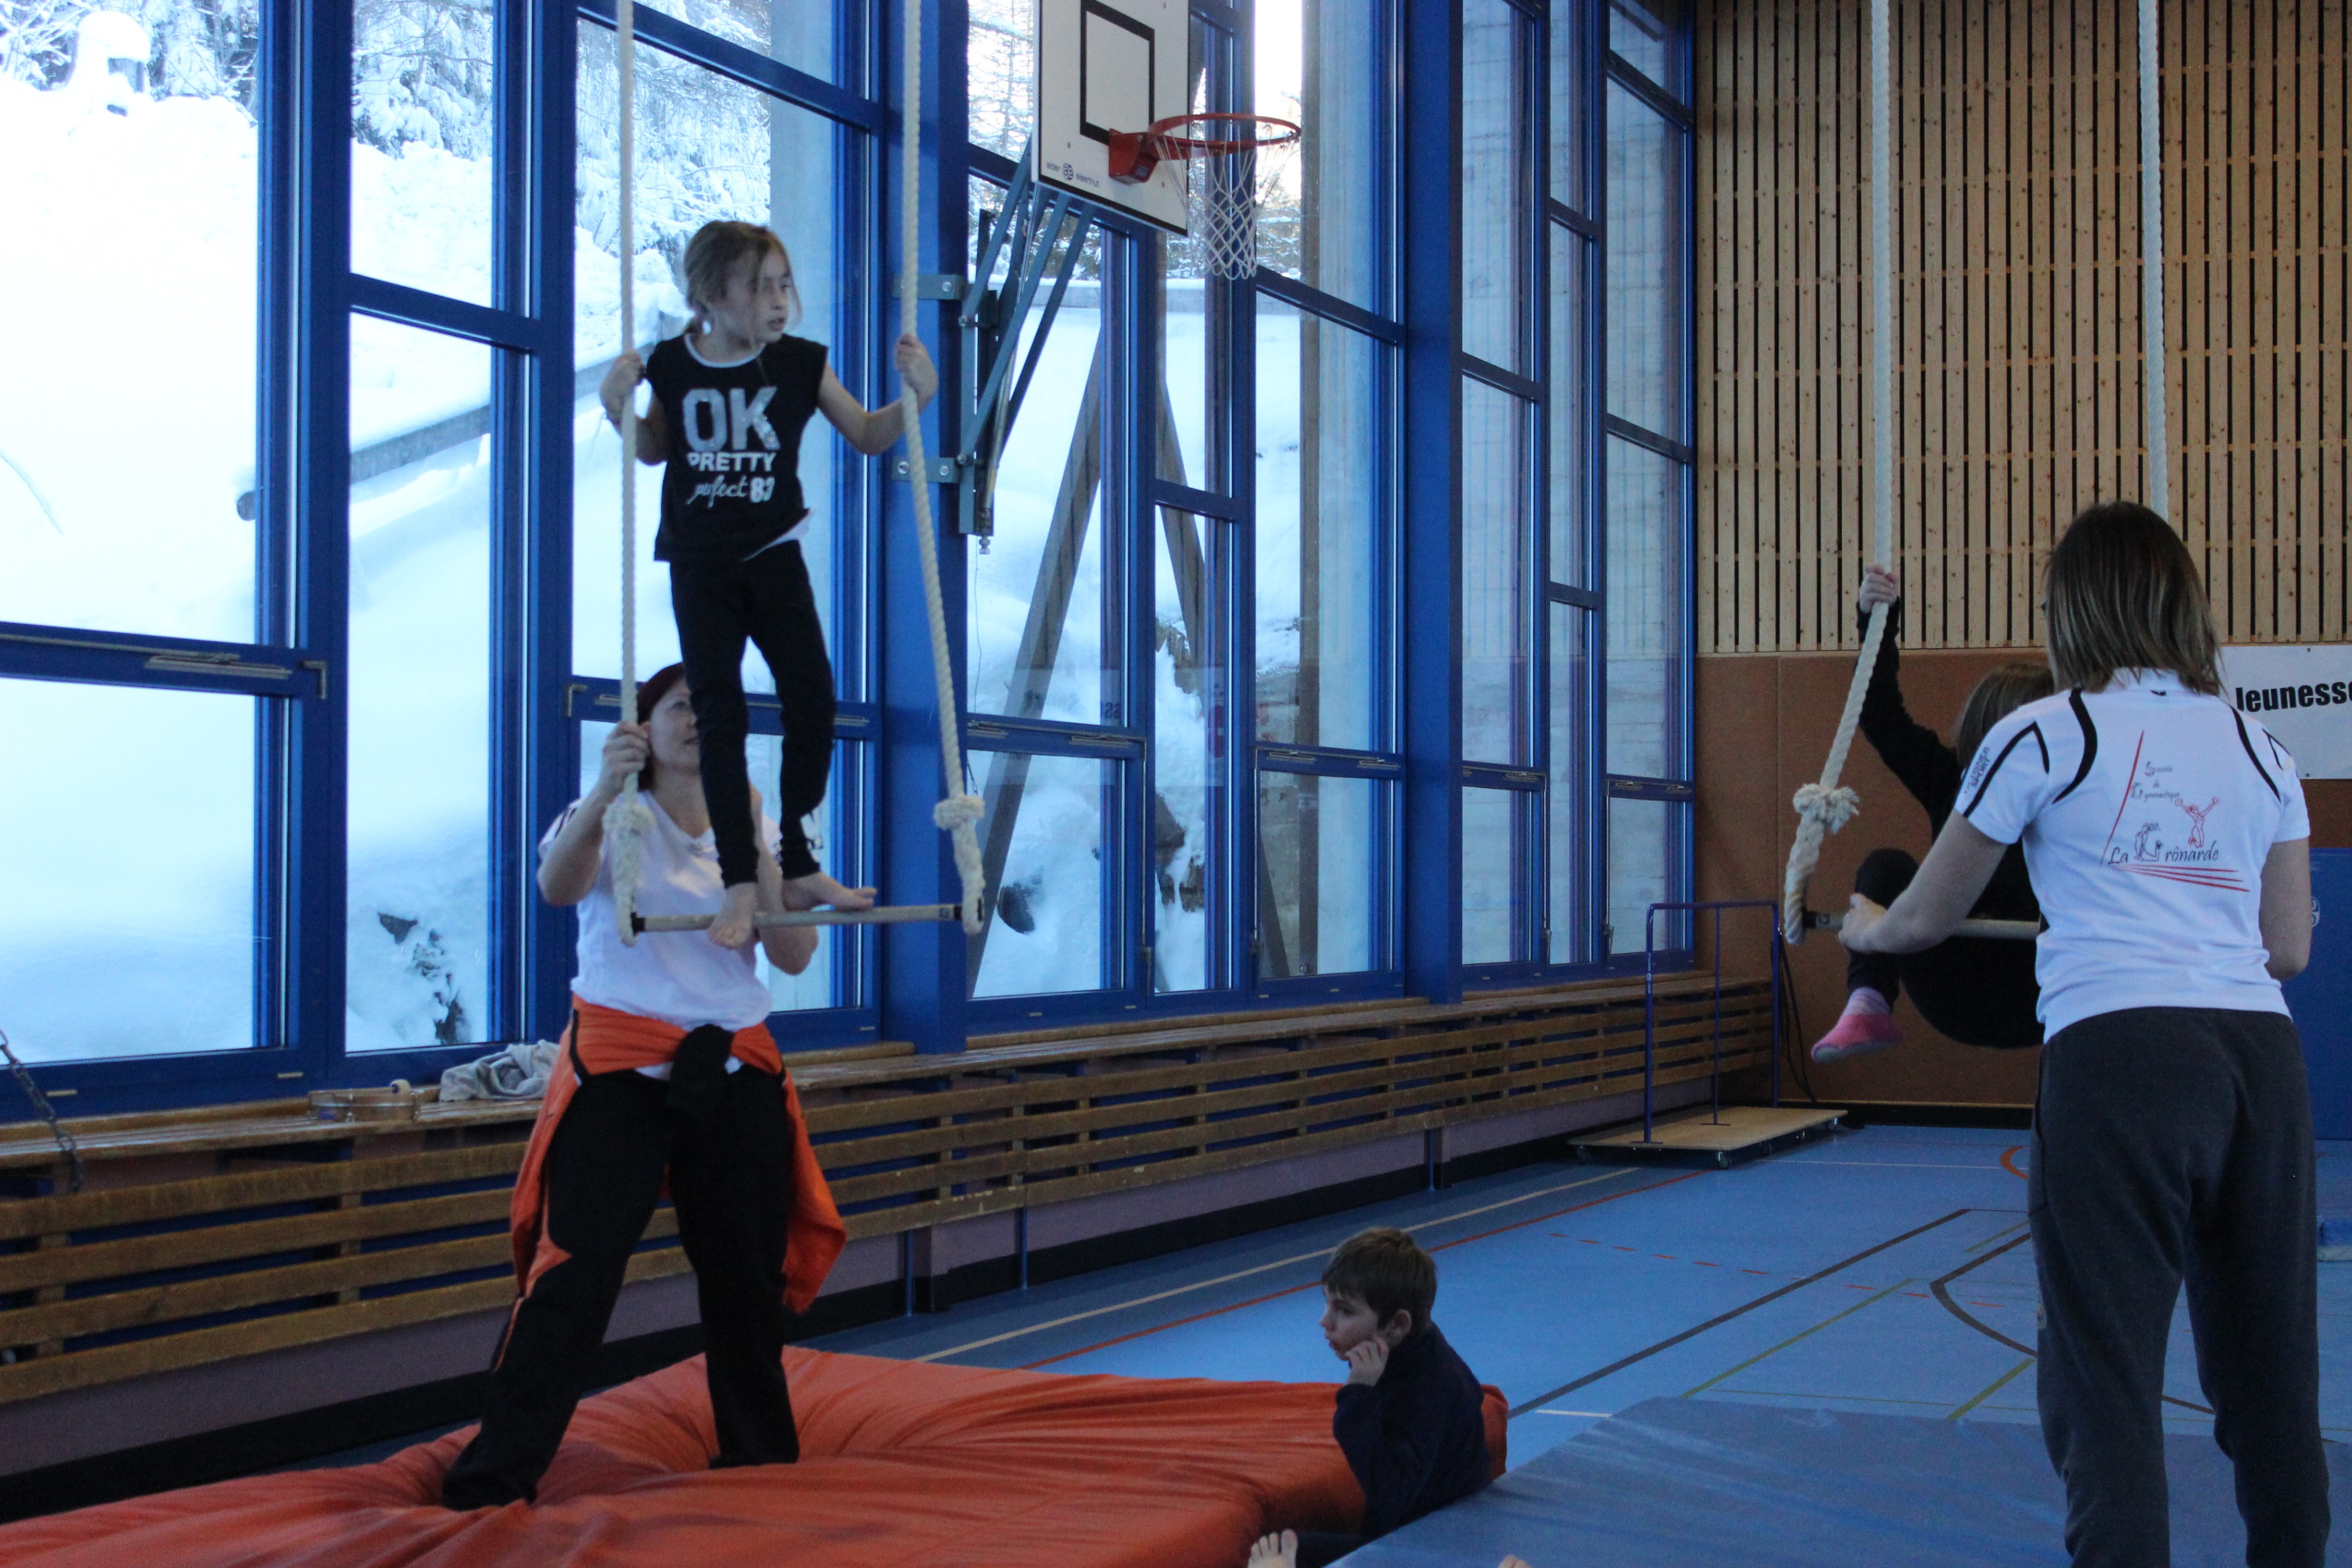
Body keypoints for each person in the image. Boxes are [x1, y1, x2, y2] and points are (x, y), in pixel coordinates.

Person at [1841, 502, 2323, 1567]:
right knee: (2271, 1377)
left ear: (2073, 611)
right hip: (2259, 1064)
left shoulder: (2043, 732)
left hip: (2121, 1058)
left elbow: (1925, 915)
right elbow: (2286, 949)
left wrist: (1867, 928)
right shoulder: (2263, 749)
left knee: (2104, 1381)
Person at [440, 664, 855, 1509]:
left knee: (744, 1275)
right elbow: (556, 888)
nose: (698, 720)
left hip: (732, 1068)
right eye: (680, 706)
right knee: (575, 1273)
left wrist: (764, 864)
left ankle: (758, 1455)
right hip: (623, 1068)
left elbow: (793, 957)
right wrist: (603, 790)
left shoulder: (754, 822)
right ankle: (497, 1477)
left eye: (713, 709)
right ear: (645, 726)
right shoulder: (613, 815)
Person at [599, 219, 938, 948]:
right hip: (701, 566)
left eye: (785, 285)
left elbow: (867, 434)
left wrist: (919, 397)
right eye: (760, 288)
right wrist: (615, 405)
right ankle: (739, 882)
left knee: (812, 698)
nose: (780, 301)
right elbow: (654, 449)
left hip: (773, 555)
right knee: (720, 715)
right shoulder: (673, 364)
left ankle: (801, 863)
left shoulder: (800, 364)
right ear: (710, 297)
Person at [1813, 563, 2054, 1063]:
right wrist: (1876, 620)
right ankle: (1868, 1000)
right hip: (1956, 985)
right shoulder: (1949, 776)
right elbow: (1879, 713)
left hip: (2038, 988)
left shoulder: (2066, 791)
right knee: (1885, 866)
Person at [1280, 1228, 1493, 1568]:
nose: (1325, 1321)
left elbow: (1391, 1494)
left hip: (1428, 1547)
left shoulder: (1429, 1386)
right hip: (1427, 1527)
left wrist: (1357, 1395)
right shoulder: (1417, 1349)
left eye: (1345, 1311)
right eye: (1327, 1303)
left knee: (1282, 1553)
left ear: (1397, 1325)